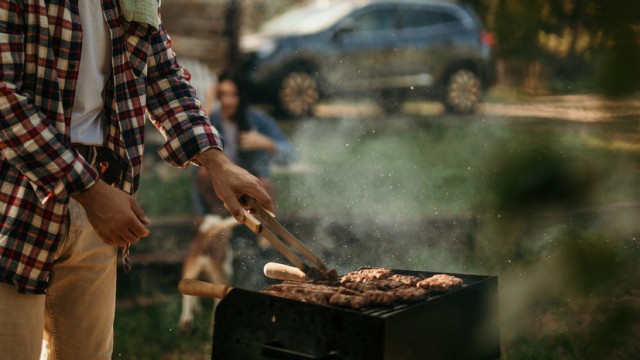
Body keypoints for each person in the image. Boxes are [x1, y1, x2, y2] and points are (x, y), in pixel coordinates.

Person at [0, 2, 272, 360]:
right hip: (17, 197)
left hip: (104, 198)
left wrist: (216, 161)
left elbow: (163, 77)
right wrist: (89, 190)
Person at [192, 69, 295, 285]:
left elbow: (292, 154)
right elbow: (195, 161)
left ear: (242, 96)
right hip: (220, 194)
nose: (228, 101)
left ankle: (265, 246)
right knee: (202, 172)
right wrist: (208, 106)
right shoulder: (214, 120)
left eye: (233, 94)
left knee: (264, 184)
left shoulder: (258, 120)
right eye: (223, 94)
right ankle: (223, 223)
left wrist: (266, 143)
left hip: (252, 189)